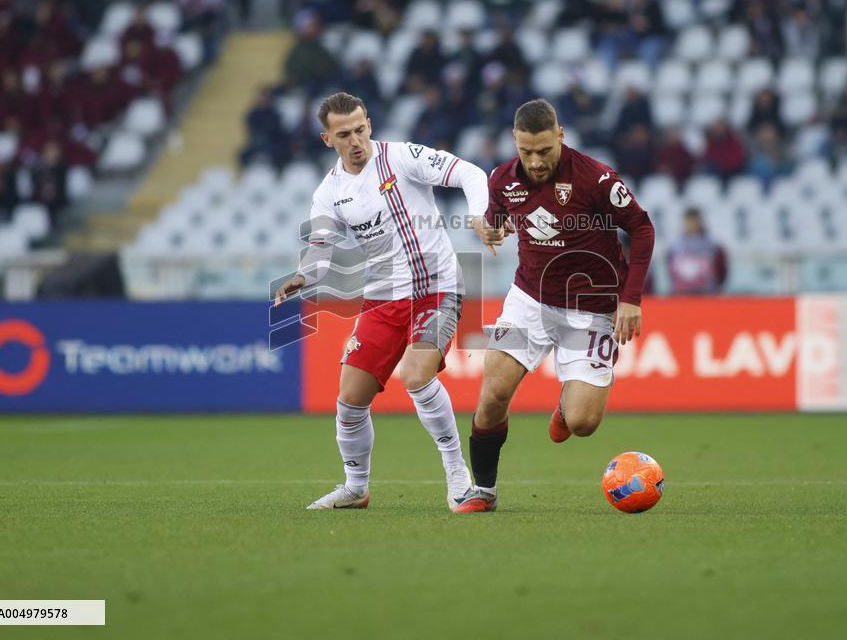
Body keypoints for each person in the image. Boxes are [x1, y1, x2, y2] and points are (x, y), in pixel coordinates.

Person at [273, 92, 493, 511]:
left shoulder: (401, 157)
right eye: (344, 134)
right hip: (381, 298)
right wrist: (303, 274)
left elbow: (470, 173)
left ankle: (458, 476)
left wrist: (479, 215)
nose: (355, 140)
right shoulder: (330, 192)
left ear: (369, 125)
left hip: (437, 287)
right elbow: (320, 250)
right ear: (327, 139)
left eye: (360, 129)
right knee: (349, 400)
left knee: (415, 375)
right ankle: (356, 488)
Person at [454, 99, 655, 513]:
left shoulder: (595, 178)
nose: (535, 160)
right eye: (526, 151)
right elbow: (498, 215)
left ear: (560, 136)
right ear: (515, 141)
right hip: (528, 299)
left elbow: (642, 228)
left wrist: (630, 299)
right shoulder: (502, 178)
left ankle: (565, 407)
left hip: (593, 307)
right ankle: (484, 491)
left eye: (544, 150)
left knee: (583, 423)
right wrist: (492, 228)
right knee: (492, 393)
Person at [667, 208, 727, 294]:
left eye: (693, 221)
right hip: (681, 295)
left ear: (700, 222)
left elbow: (721, 273)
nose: (691, 225)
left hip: (707, 295)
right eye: (688, 222)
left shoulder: (712, 246)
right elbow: (670, 271)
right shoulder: (675, 246)